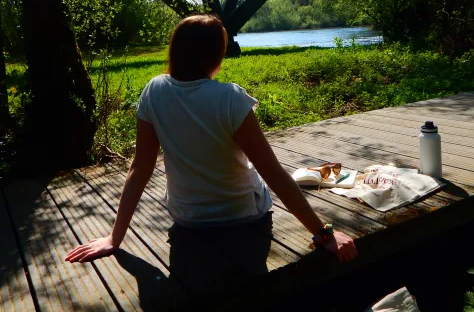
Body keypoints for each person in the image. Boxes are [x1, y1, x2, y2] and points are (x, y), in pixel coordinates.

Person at [65, 14, 358, 278]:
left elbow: (139, 169)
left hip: (188, 220)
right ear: (217, 57)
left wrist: (114, 238)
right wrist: (322, 233)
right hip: (245, 219)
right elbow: (272, 173)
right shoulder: (231, 98)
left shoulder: (153, 91)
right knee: (259, 172)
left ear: (175, 52)